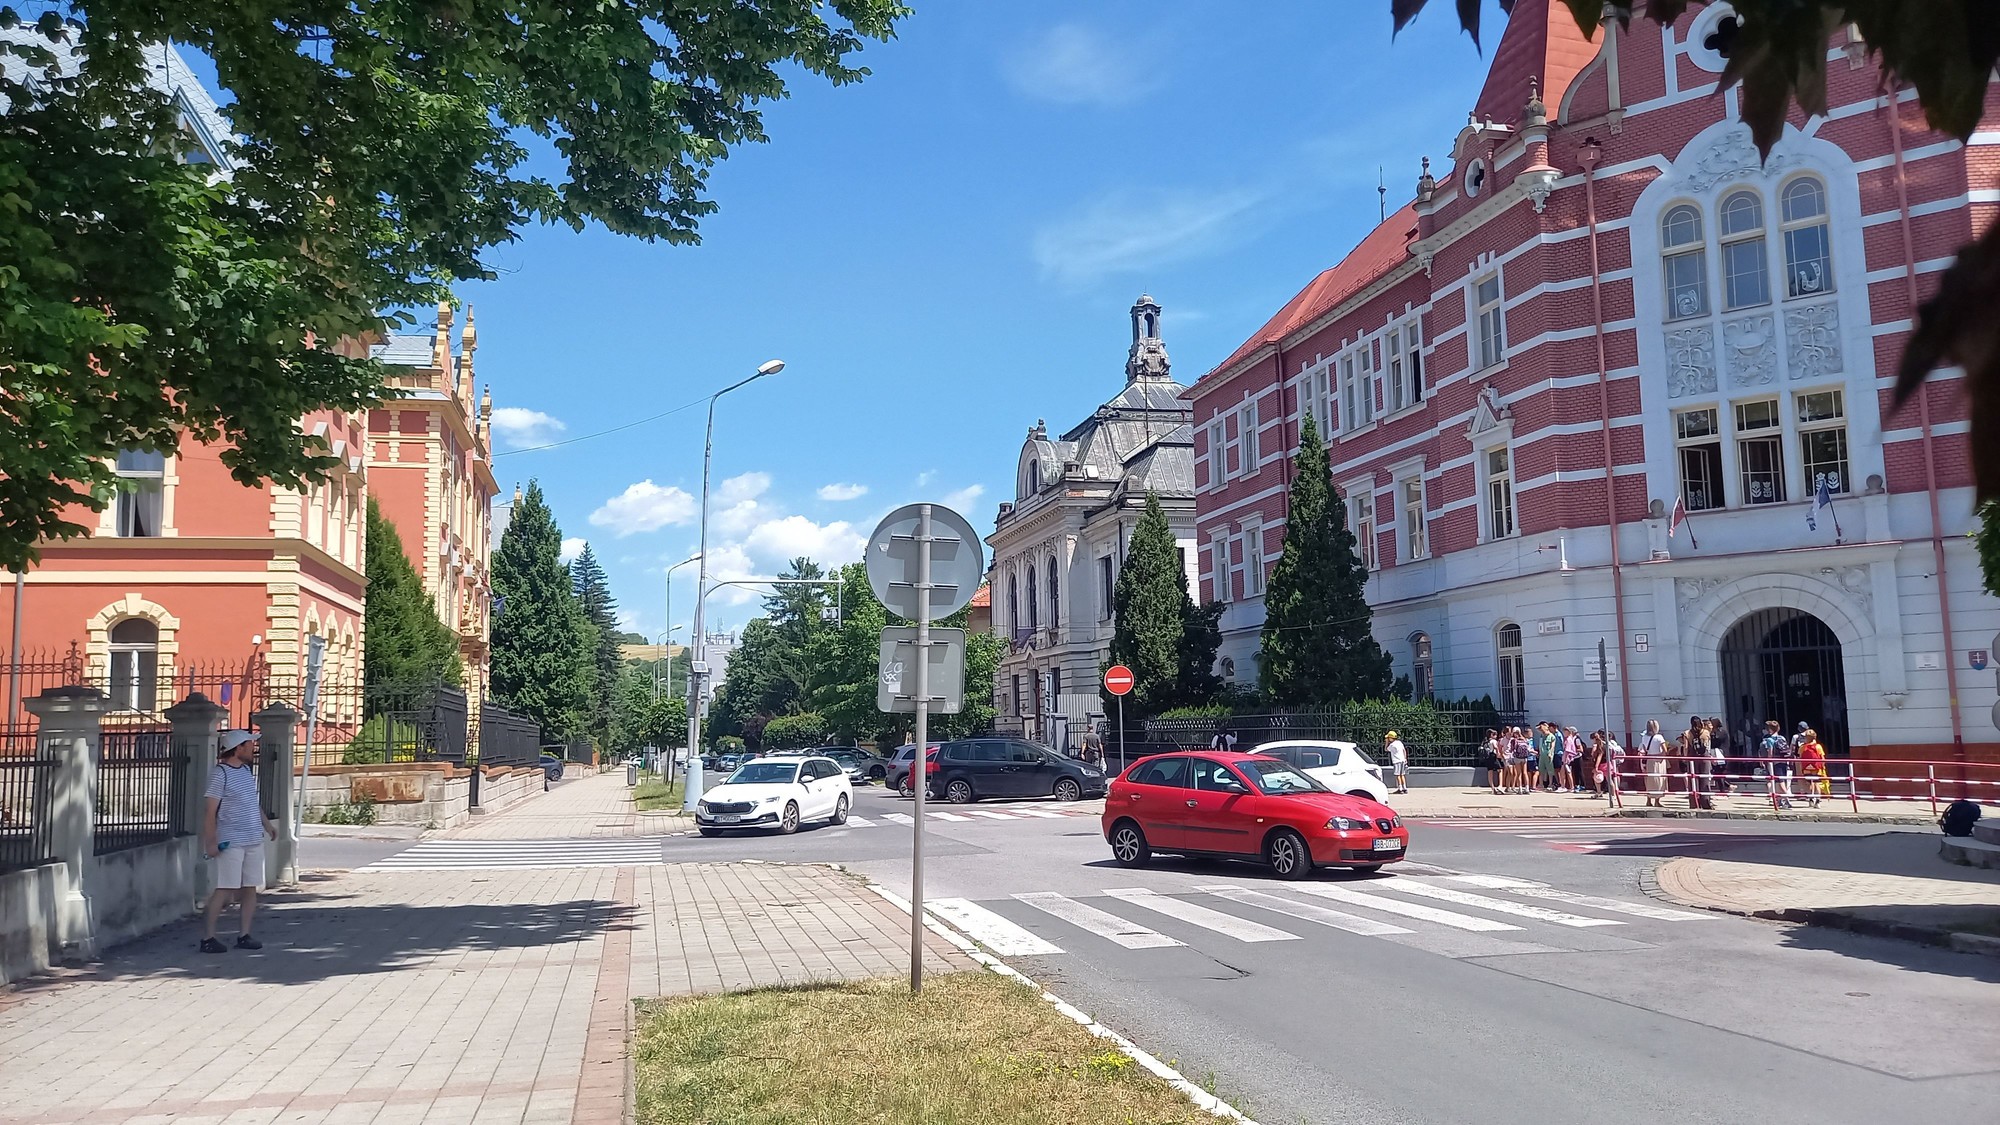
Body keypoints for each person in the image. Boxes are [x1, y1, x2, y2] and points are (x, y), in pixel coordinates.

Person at [201, 730, 279, 953]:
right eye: (249, 745)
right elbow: (209, 812)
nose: (253, 748)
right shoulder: (220, 774)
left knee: (250, 888)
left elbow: (252, 804)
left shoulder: (245, 771)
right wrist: (211, 842)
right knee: (225, 888)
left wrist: (267, 825)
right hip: (231, 841)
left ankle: (244, 934)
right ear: (238, 748)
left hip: (253, 838)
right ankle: (208, 937)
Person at [1760, 719, 1796, 809]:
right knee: (1780, 780)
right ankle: (1779, 800)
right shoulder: (1782, 738)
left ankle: (1787, 800)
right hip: (1784, 761)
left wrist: (1768, 761)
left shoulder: (1769, 739)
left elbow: (1770, 753)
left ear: (1770, 729)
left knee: (1780, 782)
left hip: (1776, 763)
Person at [1639, 719, 1670, 807]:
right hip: (1658, 760)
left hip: (1649, 759)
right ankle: (1657, 800)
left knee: (1649, 780)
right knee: (1659, 780)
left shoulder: (1644, 737)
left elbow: (1644, 749)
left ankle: (1648, 800)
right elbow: (1665, 750)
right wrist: (1661, 756)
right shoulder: (1659, 737)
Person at [1797, 728, 1828, 808]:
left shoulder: (1802, 747)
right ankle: (1818, 801)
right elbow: (1822, 758)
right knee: (1817, 783)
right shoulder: (1818, 747)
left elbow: (1800, 758)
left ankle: (1811, 799)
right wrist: (1822, 767)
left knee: (1809, 783)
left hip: (1807, 768)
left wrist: (1801, 769)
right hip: (1816, 769)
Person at [1481, 728, 1504, 794]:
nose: (1496, 736)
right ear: (1491, 735)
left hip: (1487, 757)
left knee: (1490, 771)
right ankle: (1500, 786)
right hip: (1493, 756)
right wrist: (1498, 753)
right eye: (1495, 735)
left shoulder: (1485, 741)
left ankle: (1492, 787)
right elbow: (1496, 747)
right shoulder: (1493, 741)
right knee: (1500, 770)